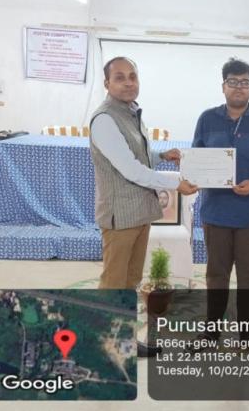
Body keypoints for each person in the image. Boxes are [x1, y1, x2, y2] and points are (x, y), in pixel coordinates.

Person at [89, 56, 198, 356]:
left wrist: (162, 156)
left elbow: (137, 155)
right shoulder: (105, 119)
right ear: (107, 83)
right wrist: (175, 183)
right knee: (114, 284)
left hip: (138, 212)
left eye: (132, 76)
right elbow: (130, 169)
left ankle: (122, 342)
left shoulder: (130, 112)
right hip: (120, 215)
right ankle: (101, 348)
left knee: (131, 281)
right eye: (120, 77)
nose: (128, 83)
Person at [190, 58, 249, 353]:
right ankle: (211, 335)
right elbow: (196, 158)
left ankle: (247, 336)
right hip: (216, 213)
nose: (239, 87)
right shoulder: (207, 119)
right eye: (233, 82)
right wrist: (194, 176)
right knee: (216, 275)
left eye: (244, 82)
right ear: (223, 86)